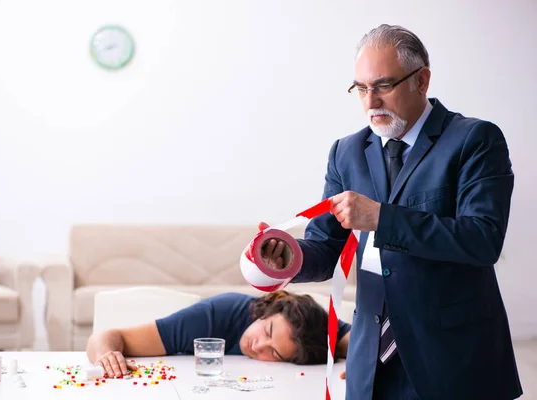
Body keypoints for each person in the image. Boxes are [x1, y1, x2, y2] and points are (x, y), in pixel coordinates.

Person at [260, 24, 522, 400]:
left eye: (383, 86)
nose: (370, 102)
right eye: (361, 89)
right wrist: (287, 256)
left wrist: (382, 218)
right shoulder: (345, 152)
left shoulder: (475, 139)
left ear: (422, 80)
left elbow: (482, 240)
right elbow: (326, 245)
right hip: (371, 365)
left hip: (454, 360)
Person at [86, 290, 351, 378]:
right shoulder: (214, 315)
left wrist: (372, 361)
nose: (257, 346)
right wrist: (106, 356)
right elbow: (108, 336)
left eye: (274, 353)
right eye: (267, 330)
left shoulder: (315, 332)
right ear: (268, 310)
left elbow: (371, 343)